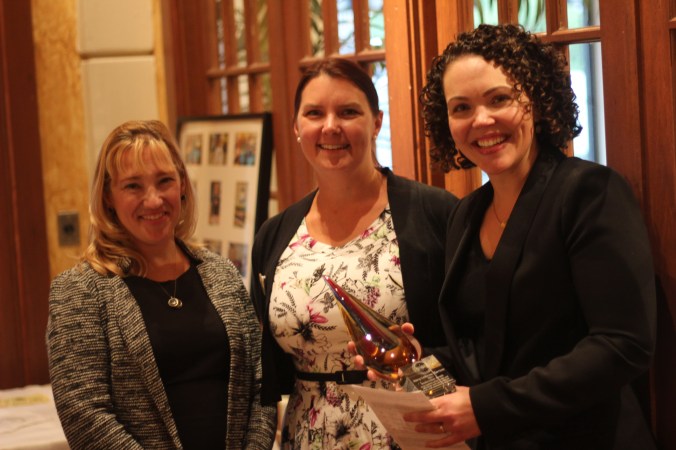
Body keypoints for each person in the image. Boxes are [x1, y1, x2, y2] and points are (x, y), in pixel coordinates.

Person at [398, 23, 656, 449]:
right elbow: (490, 350)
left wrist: (486, 407)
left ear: (535, 97)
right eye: (461, 107)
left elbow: (623, 345)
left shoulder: (589, 192)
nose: (481, 120)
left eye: (499, 99)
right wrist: (413, 363)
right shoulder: (465, 215)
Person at [250, 58, 458, 449]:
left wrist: (419, 353)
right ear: (297, 127)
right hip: (308, 436)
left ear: (377, 121)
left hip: (413, 433)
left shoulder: (434, 214)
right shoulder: (275, 235)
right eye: (314, 113)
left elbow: (476, 340)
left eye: (348, 112)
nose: (331, 126)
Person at [46, 120, 276, 449]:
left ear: (182, 184)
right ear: (109, 196)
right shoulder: (80, 291)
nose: (153, 200)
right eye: (133, 186)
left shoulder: (221, 273)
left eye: (164, 181)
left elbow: (260, 384)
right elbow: (84, 414)